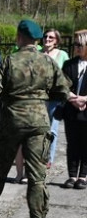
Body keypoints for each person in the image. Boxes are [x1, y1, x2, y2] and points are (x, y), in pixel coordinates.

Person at [0, 19, 73, 218]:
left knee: (0, 170)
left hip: (12, 121)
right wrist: (42, 99)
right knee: (37, 178)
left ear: (20, 36)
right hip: (39, 122)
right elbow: (63, 90)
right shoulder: (48, 62)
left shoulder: (10, 60)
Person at [60, 30, 87, 189]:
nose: (75, 47)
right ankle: (71, 175)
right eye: (74, 44)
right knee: (72, 143)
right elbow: (62, 84)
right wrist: (72, 98)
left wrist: (84, 99)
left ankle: (83, 176)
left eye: (79, 44)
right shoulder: (69, 64)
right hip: (71, 109)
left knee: (85, 143)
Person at [42, 28, 69, 168]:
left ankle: (48, 158)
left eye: (51, 37)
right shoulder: (38, 53)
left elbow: (67, 75)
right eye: (45, 36)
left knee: (52, 129)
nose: (47, 39)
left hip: (55, 98)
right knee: (39, 129)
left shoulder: (62, 55)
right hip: (39, 98)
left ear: (57, 40)